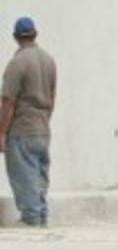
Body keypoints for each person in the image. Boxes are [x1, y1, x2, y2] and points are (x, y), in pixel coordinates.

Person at [0, 17, 57, 228]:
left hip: (22, 129)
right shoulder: (49, 60)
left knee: (24, 176)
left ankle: (31, 218)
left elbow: (8, 101)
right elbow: (52, 95)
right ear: (35, 34)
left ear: (15, 37)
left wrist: (2, 132)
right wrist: (45, 119)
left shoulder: (16, 63)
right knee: (40, 174)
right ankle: (41, 216)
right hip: (43, 128)